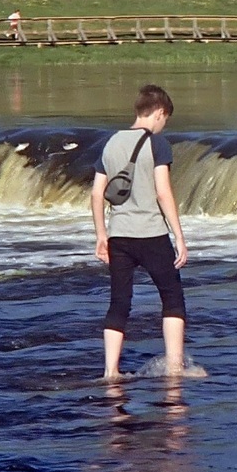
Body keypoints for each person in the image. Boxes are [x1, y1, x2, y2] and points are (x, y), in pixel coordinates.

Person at [91, 84, 190, 380]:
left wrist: (101, 235)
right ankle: (174, 369)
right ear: (159, 113)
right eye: (165, 120)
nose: (163, 126)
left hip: (119, 235)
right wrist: (179, 236)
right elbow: (163, 192)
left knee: (119, 302)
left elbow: (97, 194)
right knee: (172, 298)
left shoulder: (110, 144)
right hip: (150, 233)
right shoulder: (157, 144)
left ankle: (110, 371)